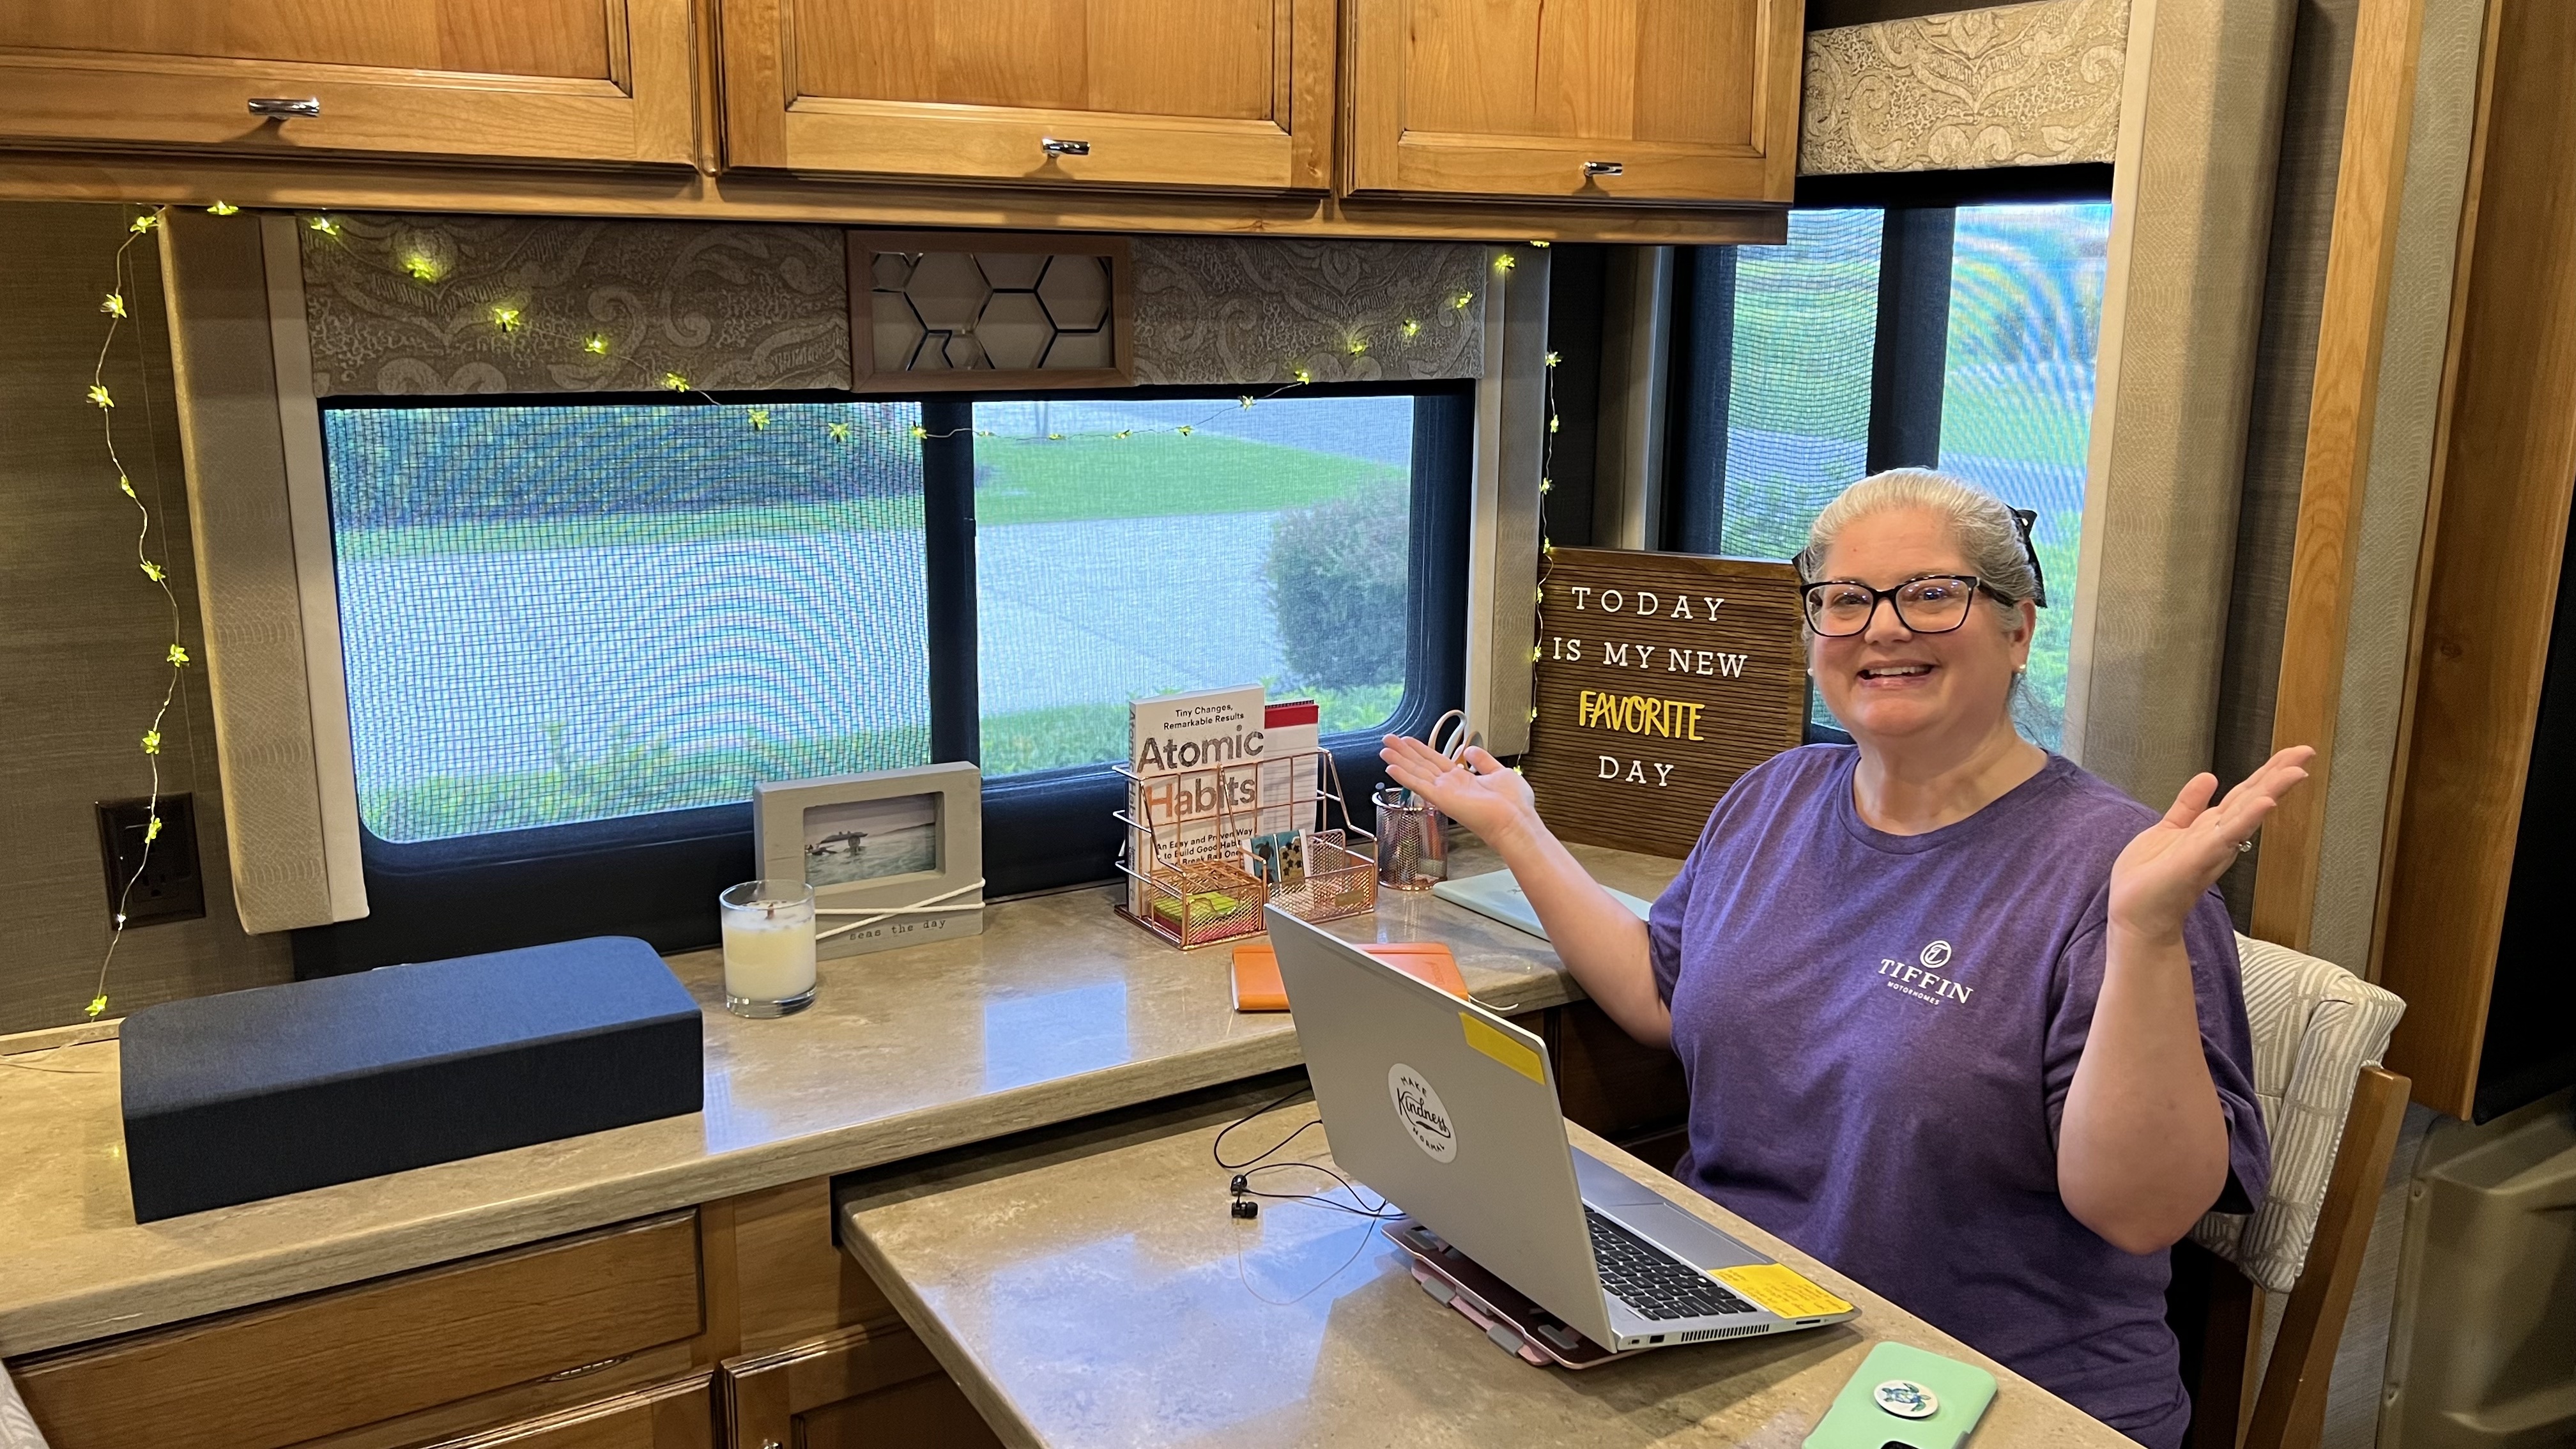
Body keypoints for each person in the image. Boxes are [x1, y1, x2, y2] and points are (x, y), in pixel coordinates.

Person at [1383, 469, 2305, 1449]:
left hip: (1989, 1396)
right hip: (1748, 1335)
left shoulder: (2117, 876)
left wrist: (2147, 935)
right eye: (1844, 601)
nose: (1883, 629)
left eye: (1933, 593)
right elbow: (1663, 992)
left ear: (2018, 628)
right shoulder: (1775, 794)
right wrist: (1519, 828)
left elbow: (2140, 1213)